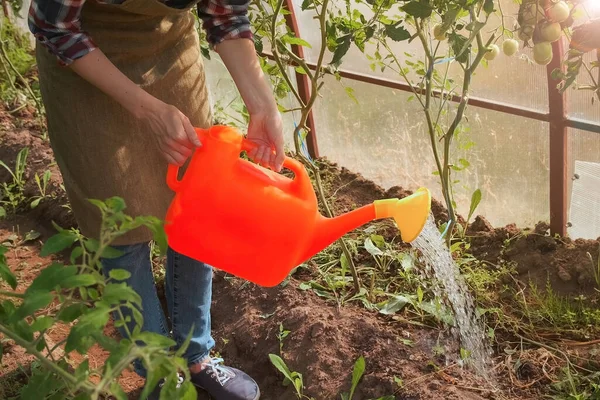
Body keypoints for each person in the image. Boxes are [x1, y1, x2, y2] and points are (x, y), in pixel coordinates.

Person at [28, 0, 285, 398]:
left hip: (169, 51)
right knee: (120, 223)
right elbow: (54, 25)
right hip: (86, 65)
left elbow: (225, 12)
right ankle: (160, 376)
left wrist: (262, 102)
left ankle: (196, 356)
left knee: (194, 209)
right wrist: (146, 110)